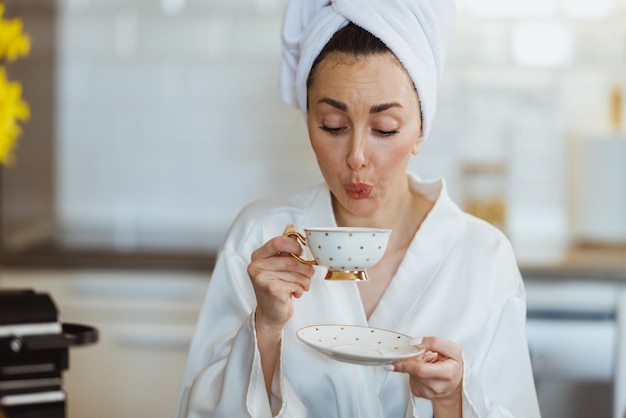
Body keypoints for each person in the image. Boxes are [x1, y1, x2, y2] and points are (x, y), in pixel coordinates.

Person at [176, 1, 541, 417]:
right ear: (308, 118)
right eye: (333, 125)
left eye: (385, 129)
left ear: (421, 128)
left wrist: (451, 401)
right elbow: (199, 411)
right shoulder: (260, 236)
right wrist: (266, 328)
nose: (356, 157)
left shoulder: (481, 256)